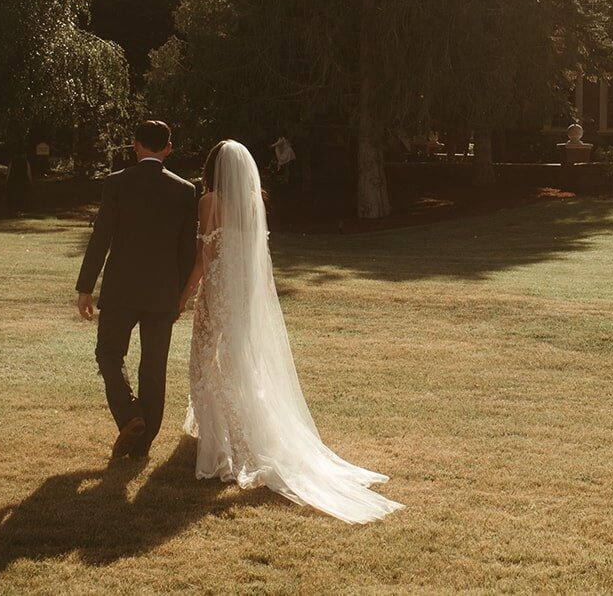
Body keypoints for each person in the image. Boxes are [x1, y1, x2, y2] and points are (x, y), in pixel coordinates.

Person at [181, 139, 402, 523]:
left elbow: (206, 257)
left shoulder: (209, 202)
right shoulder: (255, 201)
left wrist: (184, 294)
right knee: (239, 363)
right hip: (246, 295)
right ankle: (240, 431)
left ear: (212, 169)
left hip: (217, 292)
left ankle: (221, 445)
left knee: (204, 362)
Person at [75, 120, 198, 461]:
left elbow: (101, 237)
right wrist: (181, 294)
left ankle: (130, 416)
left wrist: (86, 286)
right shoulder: (185, 190)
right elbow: (187, 250)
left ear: (135, 145)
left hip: (121, 288)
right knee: (153, 366)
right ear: (168, 148)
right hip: (163, 292)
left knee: (109, 354)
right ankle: (141, 444)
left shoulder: (116, 183)